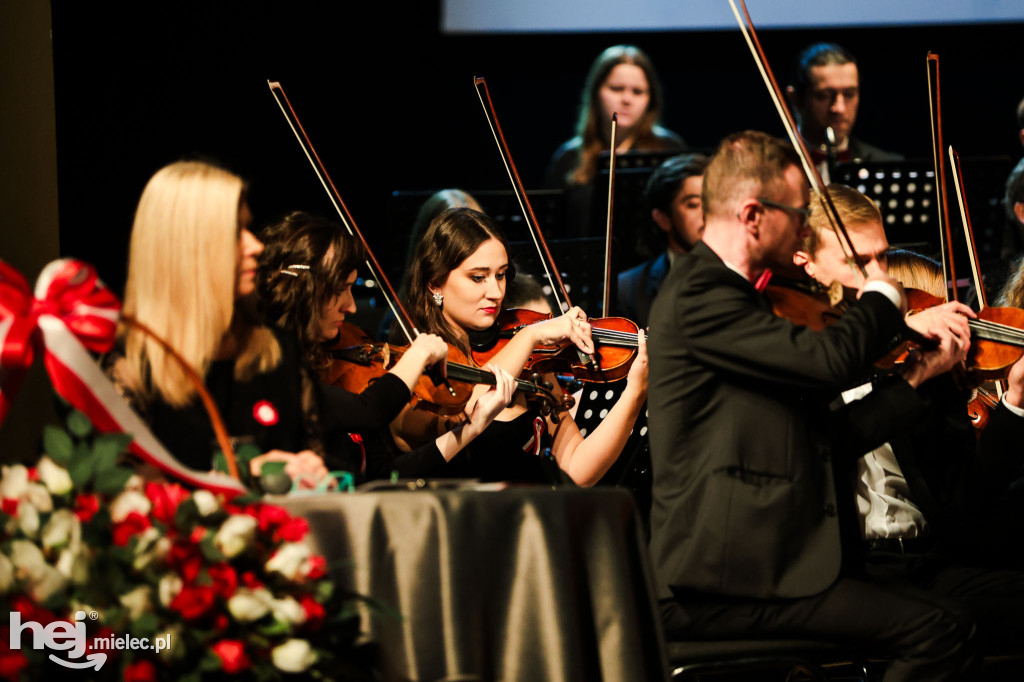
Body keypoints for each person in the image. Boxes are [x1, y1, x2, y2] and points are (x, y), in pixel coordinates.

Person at [648, 130, 977, 680]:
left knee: (948, 618)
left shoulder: (750, 302)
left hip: (770, 569)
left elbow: (832, 438)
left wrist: (917, 376)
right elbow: (829, 362)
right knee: (941, 629)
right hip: (722, 579)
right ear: (753, 215)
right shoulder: (700, 295)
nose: (806, 227)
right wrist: (884, 295)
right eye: (799, 214)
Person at [794, 183, 1024, 654]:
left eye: (882, 261)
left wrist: (1015, 401)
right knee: (945, 626)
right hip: (841, 572)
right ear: (807, 265)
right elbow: (823, 440)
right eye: (860, 265)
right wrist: (886, 357)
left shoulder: (920, 368)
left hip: (926, 563)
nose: (881, 280)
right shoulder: (794, 352)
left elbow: (966, 503)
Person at [107, 160, 330, 486]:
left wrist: (313, 472)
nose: (256, 246)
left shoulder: (280, 353)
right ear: (184, 248)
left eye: (248, 229)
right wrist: (247, 475)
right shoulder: (129, 368)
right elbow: (125, 509)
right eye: (234, 233)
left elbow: (316, 464)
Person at [395, 206, 648, 486]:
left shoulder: (530, 361)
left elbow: (577, 470)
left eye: (501, 275)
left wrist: (635, 393)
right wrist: (529, 336)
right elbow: (469, 410)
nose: (496, 292)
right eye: (478, 277)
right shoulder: (414, 370)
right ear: (435, 284)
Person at [256, 211, 517, 481]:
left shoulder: (313, 376)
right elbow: (369, 411)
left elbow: (385, 475)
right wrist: (419, 353)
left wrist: (473, 427)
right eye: (340, 289)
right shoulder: (275, 379)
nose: (352, 306)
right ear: (306, 293)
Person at [545, 45, 686, 237]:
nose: (627, 99)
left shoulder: (669, 148)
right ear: (596, 92)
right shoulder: (568, 158)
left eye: (638, 92)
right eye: (617, 89)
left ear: (650, 99)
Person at [785, 43, 903, 183]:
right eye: (824, 96)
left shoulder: (889, 166)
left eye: (849, 94)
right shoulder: (768, 165)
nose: (839, 108)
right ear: (795, 99)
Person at [616, 153, 707, 328]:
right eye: (694, 205)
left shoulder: (744, 273)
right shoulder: (629, 289)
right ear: (663, 218)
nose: (707, 213)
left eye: (711, 201)